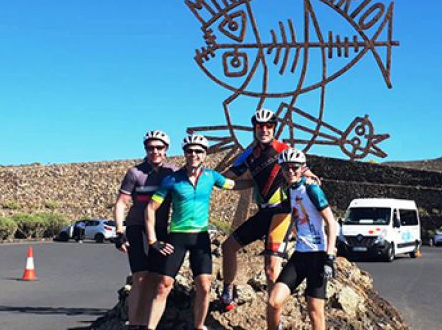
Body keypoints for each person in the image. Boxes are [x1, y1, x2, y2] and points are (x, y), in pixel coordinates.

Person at [145, 134, 249, 330]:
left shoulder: (211, 177)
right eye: (190, 151)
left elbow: (233, 185)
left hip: (200, 236)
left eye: (198, 151)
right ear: (185, 153)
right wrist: (153, 240)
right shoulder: (172, 179)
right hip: (177, 235)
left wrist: (259, 184)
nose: (194, 154)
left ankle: (199, 326)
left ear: (205, 155)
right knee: (163, 285)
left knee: (204, 285)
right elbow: (151, 208)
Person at [219, 108, 318, 311]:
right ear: (254, 128)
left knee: (271, 268)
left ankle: (276, 319)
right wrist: (209, 178)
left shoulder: (283, 149)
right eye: (259, 126)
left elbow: (303, 168)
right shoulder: (249, 154)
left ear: (274, 128)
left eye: (269, 126)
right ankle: (228, 292)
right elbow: (228, 176)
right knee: (228, 247)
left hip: (282, 211)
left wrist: (310, 176)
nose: (264, 129)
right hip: (263, 212)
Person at [112, 130, 178, 330]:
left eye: (159, 148)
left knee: (155, 278)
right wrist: (119, 232)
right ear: (146, 150)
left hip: (160, 229)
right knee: (140, 278)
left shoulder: (172, 173)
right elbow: (121, 203)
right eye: (151, 148)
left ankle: (147, 325)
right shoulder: (135, 172)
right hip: (136, 227)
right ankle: (134, 324)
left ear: (166, 150)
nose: (155, 151)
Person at [266, 148, 338, 330]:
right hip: (299, 255)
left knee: (315, 311)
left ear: (302, 168)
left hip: (318, 256)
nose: (290, 171)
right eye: (286, 168)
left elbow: (332, 222)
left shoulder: (311, 189)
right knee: (274, 302)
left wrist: (329, 257)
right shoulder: (288, 190)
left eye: (294, 168)